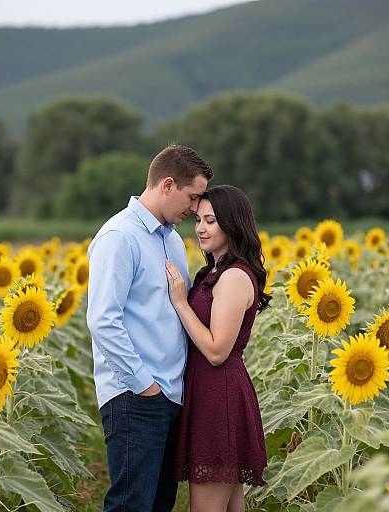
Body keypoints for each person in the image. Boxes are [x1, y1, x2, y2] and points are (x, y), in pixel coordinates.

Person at [86, 144, 213, 512]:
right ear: (168, 185)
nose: (195, 209)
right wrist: (145, 385)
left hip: (170, 396)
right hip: (135, 395)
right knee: (131, 505)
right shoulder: (120, 237)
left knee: (159, 504)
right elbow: (103, 320)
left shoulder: (171, 240)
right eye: (192, 198)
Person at [165, 185, 271, 512]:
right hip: (211, 394)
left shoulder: (234, 278)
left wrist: (181, 303)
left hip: (219, 398)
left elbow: (216, 350)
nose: (200, 228)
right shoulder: (214, 272)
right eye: (198, 219)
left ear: (232, 224)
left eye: (211, 221)